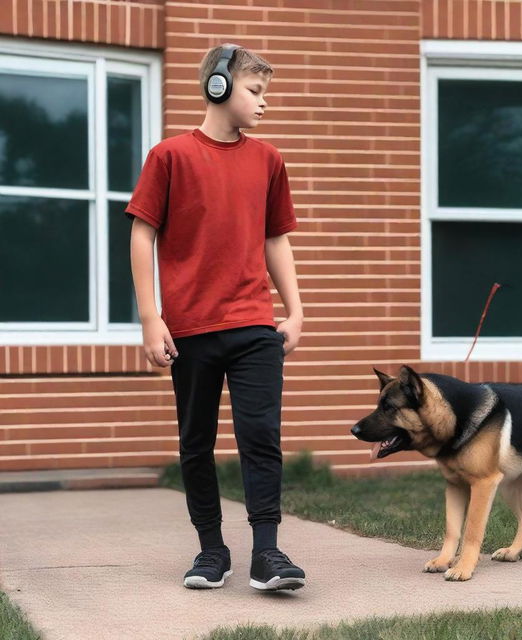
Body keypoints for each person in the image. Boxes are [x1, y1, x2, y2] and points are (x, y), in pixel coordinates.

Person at [125, 43, 305, 592]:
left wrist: (296, 310)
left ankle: (268, 554)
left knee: (260, 435)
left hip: (254, 325)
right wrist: (150, 317)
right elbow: (142, 232)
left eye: (265, 94)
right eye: (255, 91)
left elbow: (275, 238)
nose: (262, 103)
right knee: (195, 442)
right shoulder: (170, 156)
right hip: (192, 329)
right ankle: (211, 551)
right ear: (219, 87)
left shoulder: (268, 160)